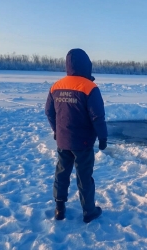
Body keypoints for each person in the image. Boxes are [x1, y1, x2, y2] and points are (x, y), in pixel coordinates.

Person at [45, 48, 107, 223]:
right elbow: (97, 117)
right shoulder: (90, 88)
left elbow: (49, 112)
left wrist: (57, 131)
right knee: (84, 176)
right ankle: (89, 211)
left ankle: (59, 208)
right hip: (84, 143)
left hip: (63, 141)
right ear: (87, 65)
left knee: (62, 173)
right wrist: (103, 137)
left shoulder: (56, 86)